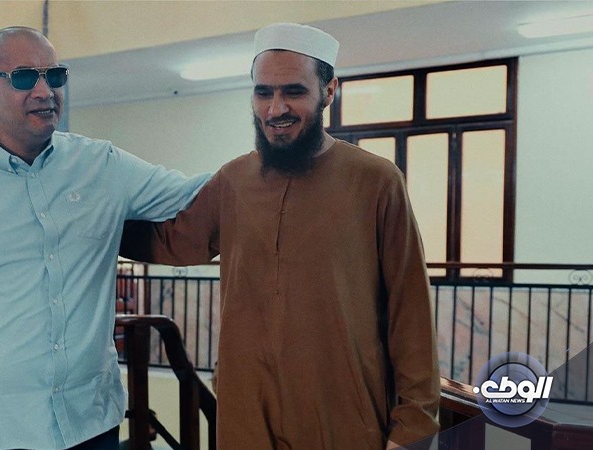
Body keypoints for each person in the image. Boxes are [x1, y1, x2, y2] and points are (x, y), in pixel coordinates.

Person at [0, 26, 209, 450]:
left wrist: (275, 159)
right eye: (24, 77)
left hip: (90, 427)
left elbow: (199, 196)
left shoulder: (102, 166)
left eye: (55, 76)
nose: (45, 91)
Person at [120, 23, 440, 450]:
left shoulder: (376, 181)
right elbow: (174, 241)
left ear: (328, 91)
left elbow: (410, 308)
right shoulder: (233, 180)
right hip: (247, 413)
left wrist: (414, 426)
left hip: (343, 414)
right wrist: (93, 224)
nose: (275, 109)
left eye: (293, 92)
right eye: (263, 93)